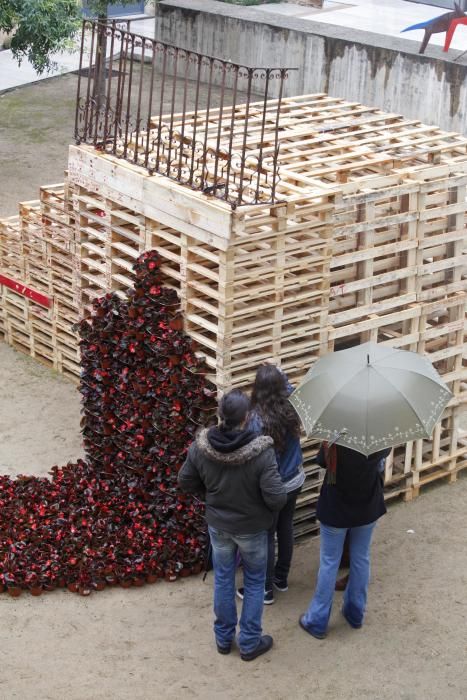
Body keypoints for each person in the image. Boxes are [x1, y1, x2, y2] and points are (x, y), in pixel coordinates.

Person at [178, 389, 286, 661]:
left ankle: (223, 639)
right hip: (252, 528)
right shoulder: (262, 453)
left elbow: (185, 481)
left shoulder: (200, 448)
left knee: (224, 577)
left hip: (218, 527)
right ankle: (249, 642)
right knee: (253, 581)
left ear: (220, 415)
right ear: (247, 417)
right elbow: (277, 497)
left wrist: (211, 498)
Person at [299, 442, 391, 639]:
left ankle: (317, 620)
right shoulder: (381, 436)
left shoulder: (336, 436)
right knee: (361, 557)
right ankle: (355, 613)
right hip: (367, 505)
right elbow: (381, 462)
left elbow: (322, 461)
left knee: (329, 562)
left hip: (336, 507)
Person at [237, 364, 304, 605]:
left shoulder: (255, 420)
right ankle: (281, 579)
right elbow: (289, 386)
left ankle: (264, 589)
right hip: (294, 480)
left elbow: (259, 459)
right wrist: (279, 377)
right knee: (285, 528)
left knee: (266, 535)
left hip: (272, 486)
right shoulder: (292, 405)